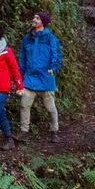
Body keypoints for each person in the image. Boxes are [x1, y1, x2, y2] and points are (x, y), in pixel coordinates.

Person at [18, 11, 62, 144]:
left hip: (45, 78)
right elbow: (22, 58)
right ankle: (24, 131)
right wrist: (21, 75)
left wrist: (53, 67)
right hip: (30, 77)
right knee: (24, 105)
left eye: (37, 18)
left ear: (43, 22)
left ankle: (54, 131)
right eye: (34, 17)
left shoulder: (50, 38)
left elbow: (56, 54)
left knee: (50, 107)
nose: (34, 20)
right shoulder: (27, 38)